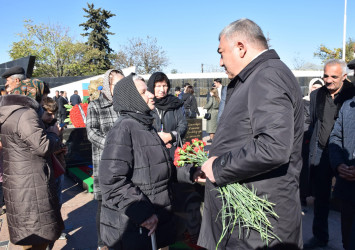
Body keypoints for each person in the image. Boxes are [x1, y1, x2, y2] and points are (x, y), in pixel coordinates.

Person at [198, 18, 304, 249]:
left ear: (240, 47)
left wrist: (218, 167)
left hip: (259, 226)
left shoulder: (267, 76)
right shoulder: (258, 76)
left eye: (221, 52)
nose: (220, 61)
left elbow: (273, 146)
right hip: (251, 222)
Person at [98, 73, 202, 249]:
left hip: (154, 223)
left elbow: (163, 166)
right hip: (134, 227)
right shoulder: (123, 129)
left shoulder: (146, 127)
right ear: (131, 98)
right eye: (144, 91)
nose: (151, 94)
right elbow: (112, 180)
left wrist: (191, 173)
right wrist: (142, 213)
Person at [0, 73, 64, 249]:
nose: (44, 101)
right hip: (32, 182)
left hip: (19, 179)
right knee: (37, 235)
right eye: (42, 96)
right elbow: (42, 146)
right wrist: (53, 133)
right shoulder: (26, 113)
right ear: (33, 94)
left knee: (28, 232)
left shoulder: (10, 112)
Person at [305, 59, 355, 249]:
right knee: (321, 197)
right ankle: (320, 237)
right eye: (325, 75)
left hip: (345, 154)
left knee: (348, 201)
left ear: (344, 76)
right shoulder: (317, 95)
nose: (328, 80)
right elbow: (314, 123)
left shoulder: (352, 95)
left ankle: (348, 241)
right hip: (321, 152)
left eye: (334, 76)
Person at [86, 68, 124, 249]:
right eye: (118, 84)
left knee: (124, 202)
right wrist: (112, 145)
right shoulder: (95, 105)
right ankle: (103, 244)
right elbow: (91, 133)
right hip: (104, 163)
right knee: (104, 205)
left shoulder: (126, 104)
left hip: (125, 162)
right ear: (108, 86)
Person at [329, 96, 355, 250]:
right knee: (348, 241)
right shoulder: (347, 107)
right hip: (348, 191)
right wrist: (338, 164)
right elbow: (335, 138)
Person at [147, 72, 187, 159]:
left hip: (173, 150)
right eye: (158, 86)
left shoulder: (175, 103)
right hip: (152, 151)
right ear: (151, 87)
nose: (162, 89)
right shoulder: (146, 104)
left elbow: (183, 125)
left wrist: (170, 136)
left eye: (164, 85)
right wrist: (159, 140)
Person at [300, 78, 324, 209]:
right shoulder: (304, 102)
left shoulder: (324, 101)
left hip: (318, 140)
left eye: (319, 87)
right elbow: (304, 121)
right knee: (304, 169)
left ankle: (316, 195)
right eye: (314, 87)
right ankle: (303, 195)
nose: (316, 89)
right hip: (305, 139)